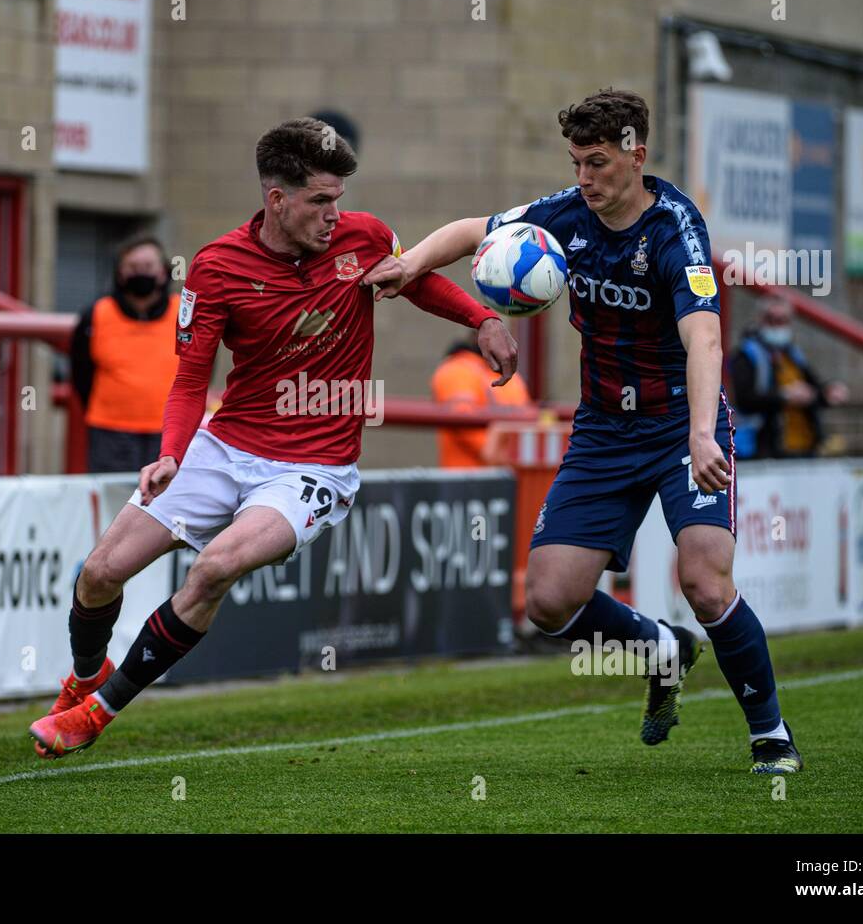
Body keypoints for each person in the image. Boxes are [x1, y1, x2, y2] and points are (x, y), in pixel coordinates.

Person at [29, 117, 517, 758]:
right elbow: (188, 381)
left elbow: (415, 279)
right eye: (319, 201)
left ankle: (98, 712)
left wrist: (481, 319)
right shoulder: (216, 267)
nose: (333, 215)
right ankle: (85, 677)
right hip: (224, 446)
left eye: (338, 199)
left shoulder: (364, 236)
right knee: (99, 574)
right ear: (276, 198)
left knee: (215, 568)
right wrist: (171, 453)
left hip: (312, 469)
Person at [365, 88, 803, 774]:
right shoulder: (565, 215)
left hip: (681, 426)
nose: (584, 179)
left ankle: (770, 734)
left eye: (597, 163)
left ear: (637, 154)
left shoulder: (675, 231)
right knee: (546, 600)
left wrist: (700, 433)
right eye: (576, 163)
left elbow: (706, 342)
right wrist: (412, 262)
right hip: (603, 428)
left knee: (706, 581)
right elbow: (468, 229)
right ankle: (662, 649)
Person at [69, 235, 180, 473]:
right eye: (132, 267)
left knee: (166, 503)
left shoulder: (183, 314)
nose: (141, 273)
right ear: (120, 273)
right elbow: (80, 372)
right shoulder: (96, 314)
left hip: (169, 433)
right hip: (109, 433)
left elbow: (200, 368)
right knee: (116, 504)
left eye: (148, 267)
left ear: (163, 272)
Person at [730, 297, 849, 459]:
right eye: (772, 319)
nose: (778, 325)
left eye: (783, 320)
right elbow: (744, 399)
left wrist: (828, 392)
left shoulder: (793, 355)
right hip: (765, 451)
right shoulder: (746, 355)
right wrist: (784, 396)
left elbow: (814, 388)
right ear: (761, 319)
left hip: (804, 448)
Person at [431, 328, 532, 467]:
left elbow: (528, 419)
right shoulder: (457, 370)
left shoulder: (512, 378)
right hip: (468, 481)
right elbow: (464, 422)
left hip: (513, 480)